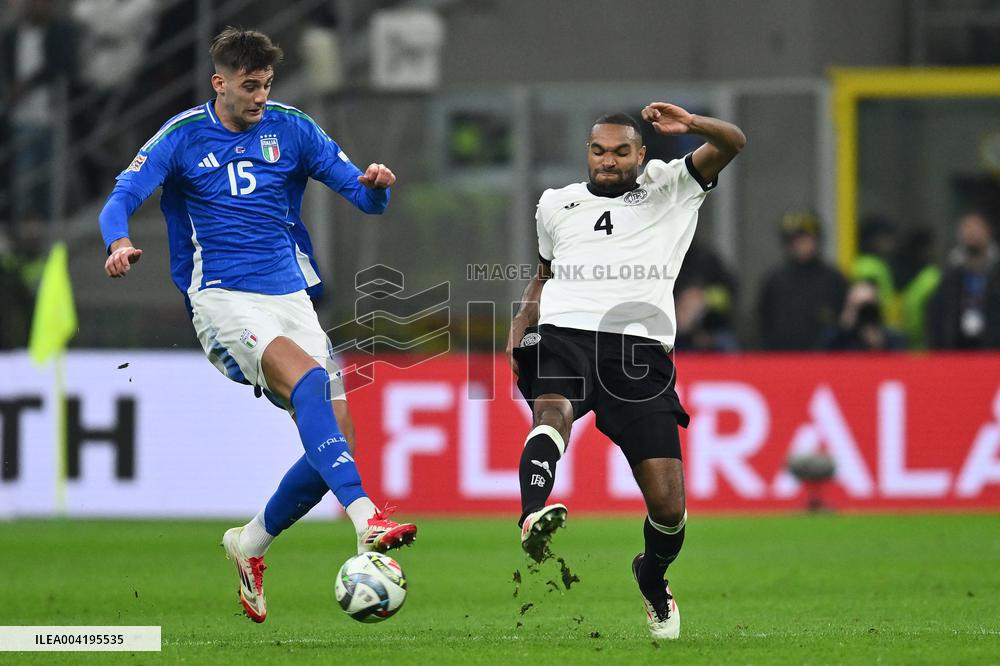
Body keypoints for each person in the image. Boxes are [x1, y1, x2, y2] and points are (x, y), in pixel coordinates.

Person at [97, 27, 416, 624]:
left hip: (289, 297)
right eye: (250, 86)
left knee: (334, 444)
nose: (261, 96)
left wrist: (377, 189)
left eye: (267, 85)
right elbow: (120, 199)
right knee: (313, 388)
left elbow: (362, 196)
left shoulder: (292, 128)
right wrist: (116, 241)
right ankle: (368, 518)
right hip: (221, 299)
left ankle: (249, 544)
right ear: (220, 82)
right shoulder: (182, 136)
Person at [506, 104, 745, 640]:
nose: (607, 162)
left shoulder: (673, 186)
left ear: (641, 155)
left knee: (668, 503)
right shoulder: (554, 204)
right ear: (586, 152)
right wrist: (524, 313)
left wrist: (693, 126)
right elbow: (544, 274)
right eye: (597, 151)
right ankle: (531, 515)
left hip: (638, 350)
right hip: (564, 335)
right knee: (552, 410)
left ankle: (652, 575)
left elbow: (733, 142)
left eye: (619, 152)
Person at [757, 211, 847, 350]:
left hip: (825, 360)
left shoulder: (834, 279)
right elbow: (763, 323)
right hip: (781, 360)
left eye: (804, 239)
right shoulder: (775, 280)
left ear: (817, 240)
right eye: (793, 241)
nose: (799, 245)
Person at [928, 211, 1000, 349]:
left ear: (988, 231)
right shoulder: (950, 273)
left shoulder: (996, 272)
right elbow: (937, 313)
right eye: (966, 228)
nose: (971, 233)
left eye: (976, 228)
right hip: (956, 349)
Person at [820, 281, 908, 351]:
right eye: (857, 307)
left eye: (867, 307)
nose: (864, 313)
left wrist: (882, 345)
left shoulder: (893, 339)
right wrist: (842, 328)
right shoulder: (838, 338)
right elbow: (820, 359)